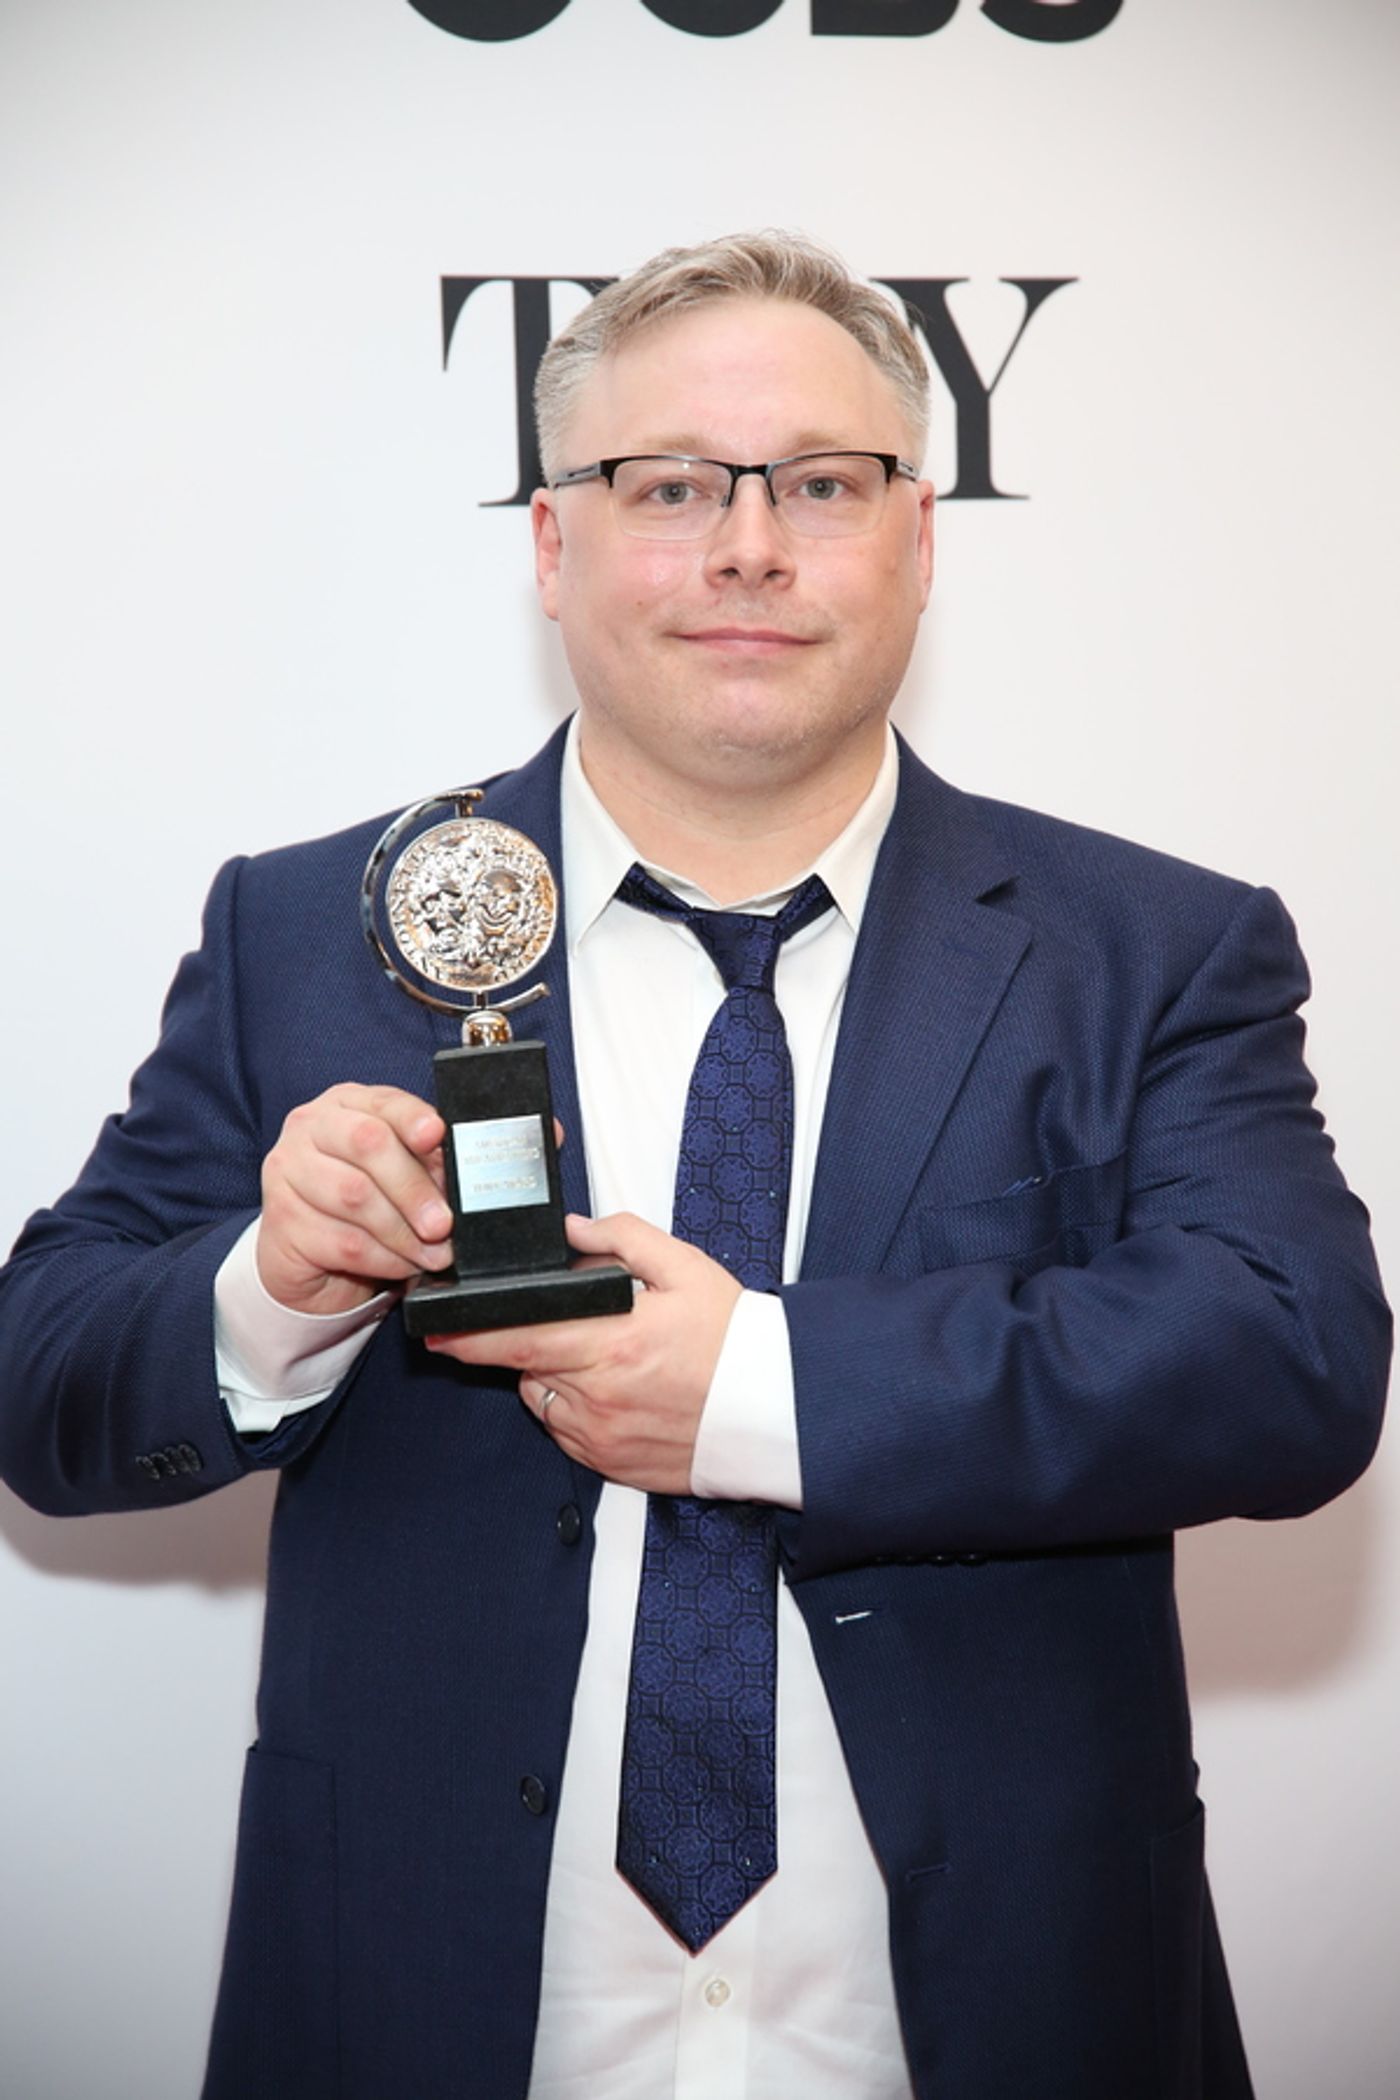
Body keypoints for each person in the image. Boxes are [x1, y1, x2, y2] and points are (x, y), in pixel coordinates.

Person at [0, 231, 1389, 2100]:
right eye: (670, 488)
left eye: (822, 484)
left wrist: (755, 1390)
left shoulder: (1152, 946)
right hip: (425, 2014)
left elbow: (1291, 1362)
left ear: (919, 540)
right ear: (554, 547)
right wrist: (275, 1285)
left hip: (997, 2019)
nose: (750, 545)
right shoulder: (310, 930)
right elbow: (44, 1377)